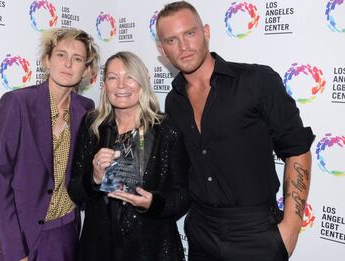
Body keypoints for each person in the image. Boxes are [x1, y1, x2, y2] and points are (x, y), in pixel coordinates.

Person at [156, 1, 314, 261]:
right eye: (172, 40)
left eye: (190, 33)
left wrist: (291, 228)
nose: (183, 47)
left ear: (206, 32)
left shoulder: (257, 81)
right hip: (201, 230)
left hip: (256, 230)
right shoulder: (174, 101)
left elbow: (297, 150)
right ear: (163, 50)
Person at [0, 28, 99, 261]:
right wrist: (15, 251)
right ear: (46, 61)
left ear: (86, 71)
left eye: (77, 59)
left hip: (65, 231)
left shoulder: (86, 109)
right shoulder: (17, 103)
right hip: (17, 230)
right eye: (61, 55)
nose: (68, 63)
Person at [68, 51, 190, 261]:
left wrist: (152, 203)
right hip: (99, 248)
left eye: (130, 77)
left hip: (152, 249)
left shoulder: (166, 129)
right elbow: (75, 190)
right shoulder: (93, 126)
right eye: (113, 77)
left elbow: (183, 195)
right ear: (104, 85)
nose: (121, 85)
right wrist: (95, 178)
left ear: (143, 82)